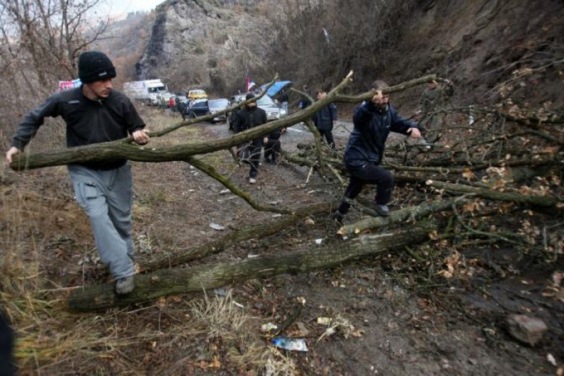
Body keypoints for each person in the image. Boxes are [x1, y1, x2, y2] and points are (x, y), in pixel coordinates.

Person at [5, 51, 150, 295]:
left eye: (110, 80)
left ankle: (125, 259)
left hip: (117, 171)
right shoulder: (66, 100)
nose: (108, 85)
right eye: (101, 81)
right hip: (85, 172)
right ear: (86, 81)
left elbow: (136, 126)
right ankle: (123, 272)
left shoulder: (120, 101)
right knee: (97, 216)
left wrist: (138, 134)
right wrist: (17, 144)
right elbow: (34, 117)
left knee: (121, 223)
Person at [331, 80, 423, 222]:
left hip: (370, 158)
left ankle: (339, 213)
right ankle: (380, 204)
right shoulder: (365, 110)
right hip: (356, 158)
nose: (385, 100)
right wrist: (370, 103)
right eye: (382, 98)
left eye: (387, 97)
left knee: (354, 187)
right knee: (386, 177)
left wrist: (411, 127)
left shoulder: (388, 111)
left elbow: (399, 123)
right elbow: (359, 119)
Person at [232, 93, 267, 184]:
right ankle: (249, 163)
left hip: (258, 138)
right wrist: (236, 144)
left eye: (253, 101)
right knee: (245, 157)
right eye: (250, 101)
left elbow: (266, 126)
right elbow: (236, 128)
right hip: (245, 138)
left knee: (256, 156)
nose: (252, 103)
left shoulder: (261, 112)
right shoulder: (240, 113)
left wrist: (265, 136)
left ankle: (253, 175)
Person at [418, 79, 453, 143]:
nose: (430, 85)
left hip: (438, 111)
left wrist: (450, 86)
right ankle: (426, 138)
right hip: (428, 111)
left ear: (435, 83)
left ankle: (431, 141)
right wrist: (421, 110)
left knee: (435, 125)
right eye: (429, 84)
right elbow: (421, 102)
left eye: (431, 83)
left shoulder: (440, 90)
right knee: (421, 124)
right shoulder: (425, 92)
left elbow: (449, 93)